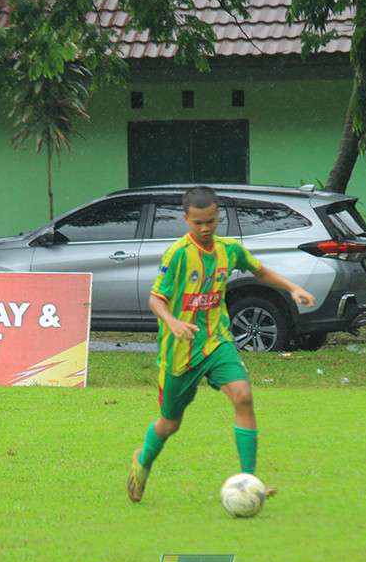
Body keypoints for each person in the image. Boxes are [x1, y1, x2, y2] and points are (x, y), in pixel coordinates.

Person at [127, 185, 316, 503]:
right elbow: (156, 298)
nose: (205, 229)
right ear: (186, 219)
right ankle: (142, 463)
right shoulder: (177, 255)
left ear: (219, 218)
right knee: (170, 423)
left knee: (243, 396)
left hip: (217, 341)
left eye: (211, 221)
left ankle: (250, 480)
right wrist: (172, 322)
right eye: (198, 222)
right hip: (180, 351)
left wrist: (293, 287)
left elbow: (261, 271)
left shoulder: (230, 251)